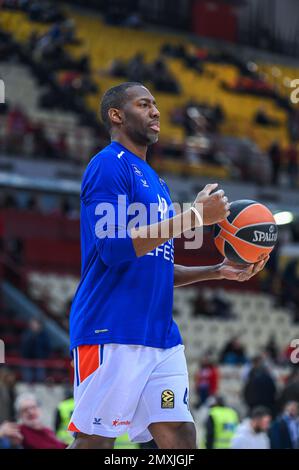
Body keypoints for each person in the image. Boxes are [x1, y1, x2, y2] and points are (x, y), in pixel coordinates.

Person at [67, 82, 268, 450]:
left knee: (179, 435)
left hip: (161, 335)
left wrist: (216, 270)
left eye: (156, 104)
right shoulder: (107, 166)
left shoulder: (157, 183)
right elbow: (113, 249)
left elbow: (158, 269)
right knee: (96, 441)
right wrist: (193, 216)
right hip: (112, 329)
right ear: (117, 115)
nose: (156, 111)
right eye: (144, 105)